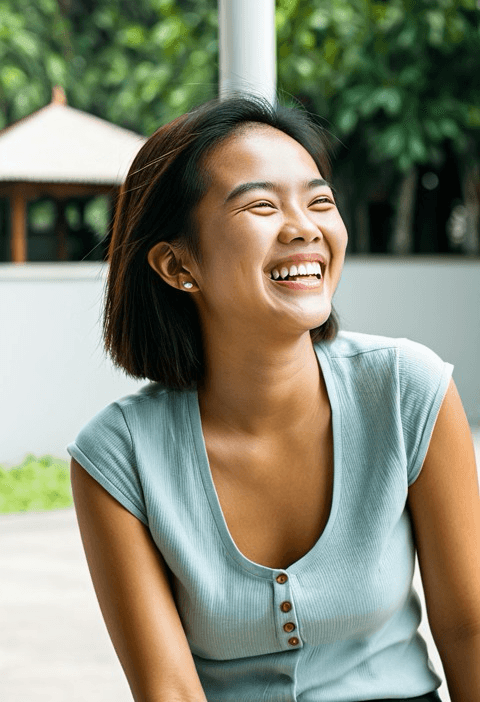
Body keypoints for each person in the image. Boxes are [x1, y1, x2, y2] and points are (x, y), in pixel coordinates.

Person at [68, 93, 480, 702]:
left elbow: (469, 629)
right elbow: (169, 689)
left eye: (320, 201)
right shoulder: (117, 457)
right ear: (177, 264)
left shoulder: (407, 390)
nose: (305, 228)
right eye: (262, 205)